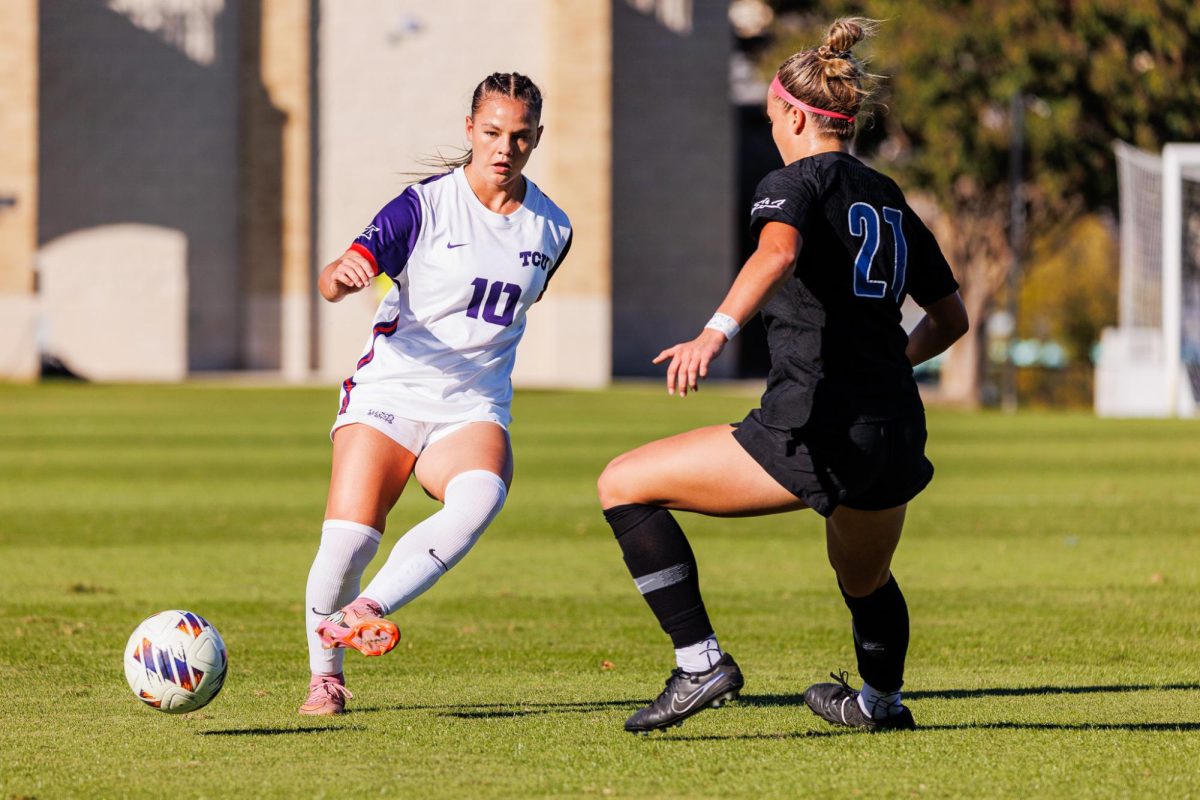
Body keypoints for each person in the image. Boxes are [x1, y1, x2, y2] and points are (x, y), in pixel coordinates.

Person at [596, 18, 969, 734]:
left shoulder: (792, 181)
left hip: (815, 423)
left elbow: (777, 254)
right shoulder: (888, 194)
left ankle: (700, 663)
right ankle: (880, 705)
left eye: (772, 119)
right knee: (865, 579)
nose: (772, 131)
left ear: (795, 114)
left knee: (622, 485)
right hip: (892, 425)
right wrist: (894, 361)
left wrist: (714, 332)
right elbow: (951, 320)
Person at [299, 72, 572, 716]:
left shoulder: (552, 229)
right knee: (347, 544)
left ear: (537, 138)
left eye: (520, 136)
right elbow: (333, 278)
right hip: (390, 391)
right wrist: (342, 276)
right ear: (470, 130)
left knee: (481, 496)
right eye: (492, 133)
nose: (505, 148)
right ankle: (326, 678)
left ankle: (367, 609)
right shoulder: (424, 206)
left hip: (473, 403)